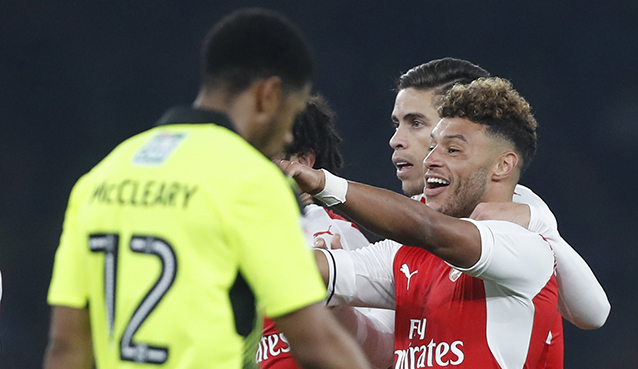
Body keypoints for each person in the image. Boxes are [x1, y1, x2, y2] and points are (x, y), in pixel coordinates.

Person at [43, 8, 371, 369]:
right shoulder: (252, 182)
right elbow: (317, 343)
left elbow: (65, 348)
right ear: (269, 95)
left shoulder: (101, 178)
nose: (289, 135)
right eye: (291, 116)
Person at [281, 77, 561, 368]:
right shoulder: (403, 254)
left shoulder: (523, 249)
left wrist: (322, 183)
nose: (430, 160)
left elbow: (429, 228)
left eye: (452, 150)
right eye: (431, 148)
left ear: (503, 165)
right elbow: (316, 268)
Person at [258, 95, 394, 369]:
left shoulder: (338, 234)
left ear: (304, 160)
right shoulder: (243, 239)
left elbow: (384, 349)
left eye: (265, 156)